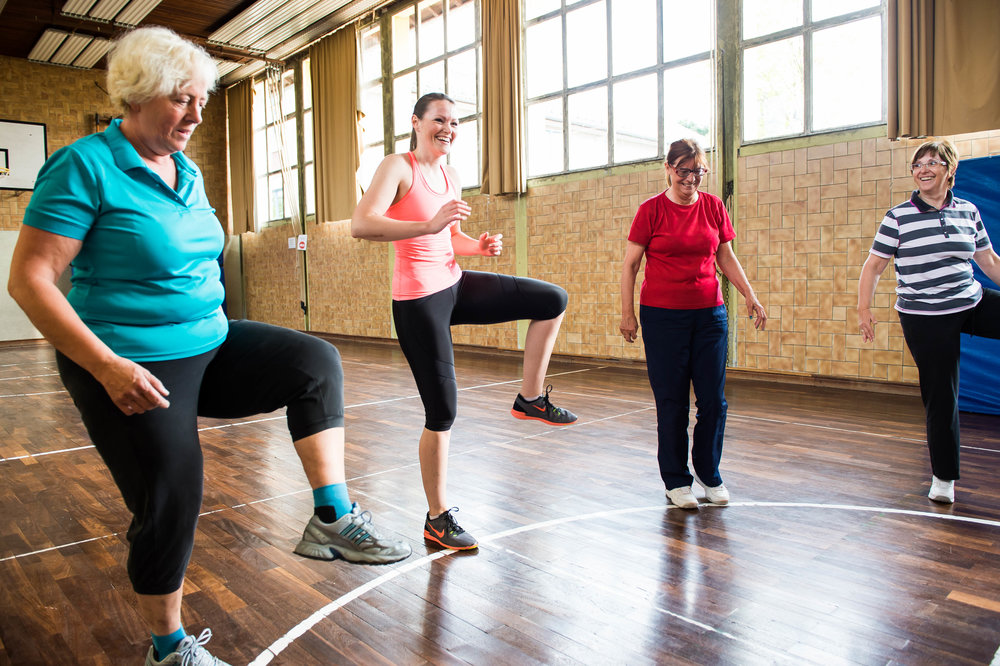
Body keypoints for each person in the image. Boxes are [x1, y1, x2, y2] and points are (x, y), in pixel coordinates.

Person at [7, 26, 411, 666]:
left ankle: (330, 519)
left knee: (315, 363)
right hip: (126, 361)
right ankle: (168, 649)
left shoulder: (186, 168)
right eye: (180, 100)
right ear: (136, 96)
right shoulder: (84, 166)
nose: (196, 115)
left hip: (210, 344)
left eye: (201, 100)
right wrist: (108, 367)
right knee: (174, 488)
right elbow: (29, 280)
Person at [351, 92, 577, 550]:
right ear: (416, 122)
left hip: (454, 283)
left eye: (454, 121)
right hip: (418, 300)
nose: (447, 128)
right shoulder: (398, 167)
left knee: (552, 299)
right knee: (443, 411)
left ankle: (530, 398)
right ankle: (437, 518)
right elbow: (362, 224)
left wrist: (479, 246)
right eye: (439, 119)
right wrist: (427, 225)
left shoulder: (451, 174)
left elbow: (450, 238)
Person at [619, 138, 766, 510]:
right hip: (662, 317)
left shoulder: (714, 206)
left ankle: (709, 473)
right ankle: (676, 481)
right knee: (672, 403)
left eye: (698, 171)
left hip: (709, 315)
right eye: (684, 171)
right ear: (668, 169)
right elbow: (631, 265)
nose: (691, 179)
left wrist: (750, 295)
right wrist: (627, 313)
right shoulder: (650, 211)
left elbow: (725, 256)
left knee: (713, 402)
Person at [858, 139, 1000, 505]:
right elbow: (874, 266)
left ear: (949, 170)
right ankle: (943, 477)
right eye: (918, 164)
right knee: (942, 396)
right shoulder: (898, 216)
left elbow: (990, 262)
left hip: (969, 301)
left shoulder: (967, 211)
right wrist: (864, 309)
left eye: (933, 162)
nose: (923, 169)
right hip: (924, 316)